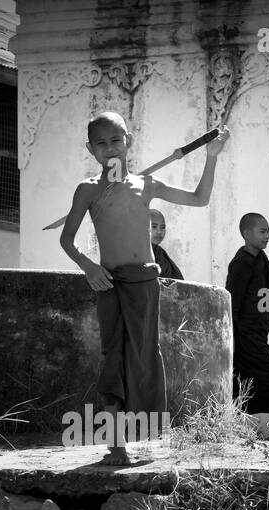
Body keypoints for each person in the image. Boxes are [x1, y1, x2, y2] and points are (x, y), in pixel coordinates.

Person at [60, 111, 229, 465]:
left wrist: (211, 158)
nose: (110, 149)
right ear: (90, 149)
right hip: (109, 282)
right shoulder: (88, 190)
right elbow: (67, 239)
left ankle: (145, 437)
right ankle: (115, 445)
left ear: (128, 142)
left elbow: (200, 199)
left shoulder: (146, 184)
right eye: (101, 143)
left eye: (116, 141)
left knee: (144, 357)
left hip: (144, 282)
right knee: (114, 357)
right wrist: (88, 266)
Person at [225, 212, 269, 435]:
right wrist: (232, 339)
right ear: (246, 233)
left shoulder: (262, 260)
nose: (267, 236)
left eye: (268, 231)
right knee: (267, 379)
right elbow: (231, 303)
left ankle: (237, 430)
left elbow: (266, 301)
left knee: (252, 382)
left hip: (260, 334)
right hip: (244, 336)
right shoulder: (241, 264)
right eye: (262, 231)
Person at [149, 208, 184, 280]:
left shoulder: (159, 252)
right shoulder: (137, 253)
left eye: (162, 227)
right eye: (154, 227)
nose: (159, 232)